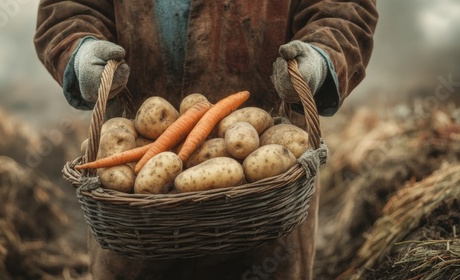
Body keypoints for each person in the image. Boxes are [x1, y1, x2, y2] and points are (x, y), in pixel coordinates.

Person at [34, 1, 378, 279]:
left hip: (268, 195)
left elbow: (342, 9)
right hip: (134, 216)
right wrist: (80, 54)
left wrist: (320, 59)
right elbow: (69, 9)